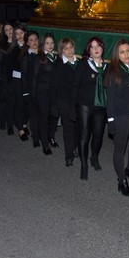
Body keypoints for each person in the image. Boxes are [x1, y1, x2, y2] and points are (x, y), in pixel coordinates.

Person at [105, 39, 129, 196]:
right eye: (122, 52)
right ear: (117, 54)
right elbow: (111, 99)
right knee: (120, 149)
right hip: (121, 115)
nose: (126, 54)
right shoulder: (113, 71)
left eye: (128, 51)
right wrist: (111, 120)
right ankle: (121, 180)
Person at [73, 37, 108, 180]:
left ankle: (94, 157)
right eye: (92, 47)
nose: (96, 49)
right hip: (85, 105)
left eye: (98, 46)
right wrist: (71, 107)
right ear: (89, 50)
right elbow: (75, 86)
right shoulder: (83, 65)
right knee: (84, 136)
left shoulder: (107, 67)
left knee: (98, 136)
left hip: (100, 107)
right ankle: (84, 164)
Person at [29, 33, 59, 156]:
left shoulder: (56, 58)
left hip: (54, 93)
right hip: (42, 93)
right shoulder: (39, 58)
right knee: (44, 117)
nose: (50, 45)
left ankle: (50, 137)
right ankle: (44, 145)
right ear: (43, 44)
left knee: (54, 116)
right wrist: (33, 95)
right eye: (47, 43)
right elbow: (34, 78)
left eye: (52, 43)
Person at [51, 37, 79, 166]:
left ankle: (74, 147)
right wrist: (54, 105)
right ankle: (69, 156)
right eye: (66, 48)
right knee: (68, 127)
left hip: (77, 101)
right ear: (61, 51)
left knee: (77, 126)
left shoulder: (79, 63)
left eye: (71, 47)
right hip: (64, 100)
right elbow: (54, 86)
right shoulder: (58, 65)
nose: (69, 51)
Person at [20, 30, 41, 147]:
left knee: (41, 115)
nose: (34, 42)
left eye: (36, 39)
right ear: (27, 43)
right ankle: (35, 137)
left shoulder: (42, 54)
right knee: (34, 114)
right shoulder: (26, 57)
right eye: (31, 40)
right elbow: (24, 76)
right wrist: (25, 93)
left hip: (42, 90)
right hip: (31, 90)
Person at [0, 22, 14, 133]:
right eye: (6, 30)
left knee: (12, 101)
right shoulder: (2, 45)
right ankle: (4, 121)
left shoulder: (17, 44)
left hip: (14, 77)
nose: (9, 31)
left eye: (10, 29)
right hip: (4, 76)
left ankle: (10, 123)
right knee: (5, 99)